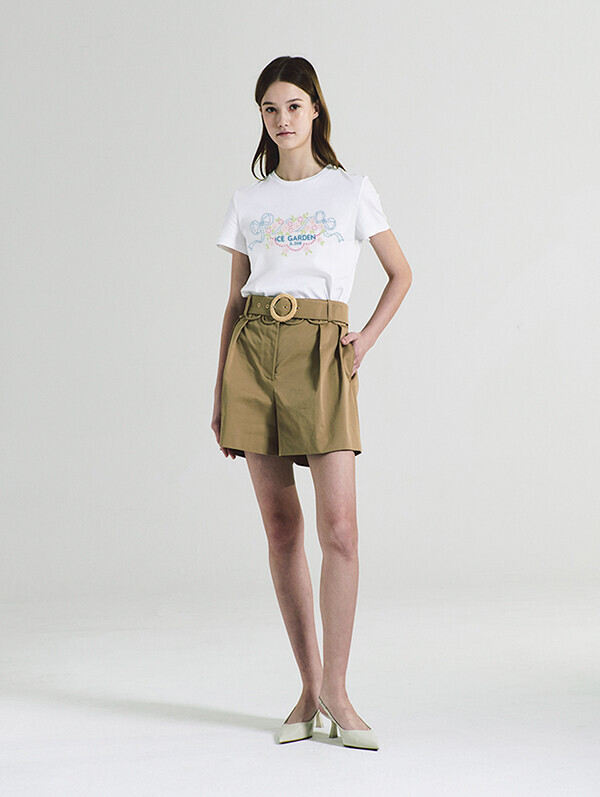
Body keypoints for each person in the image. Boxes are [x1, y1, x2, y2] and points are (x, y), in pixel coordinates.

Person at [211, 55, 412, 749]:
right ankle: (308, 687)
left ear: (316, 109)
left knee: (341, 530)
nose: (283, 119)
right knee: (281, 528)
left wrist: (364, 342)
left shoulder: (351, 190)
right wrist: (220, 390)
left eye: (294, 105)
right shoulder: (249, 202)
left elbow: (401, 273)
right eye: (270, 109)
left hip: (324, 354)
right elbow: (233, 301)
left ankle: (339, 692)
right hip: (254, 355)